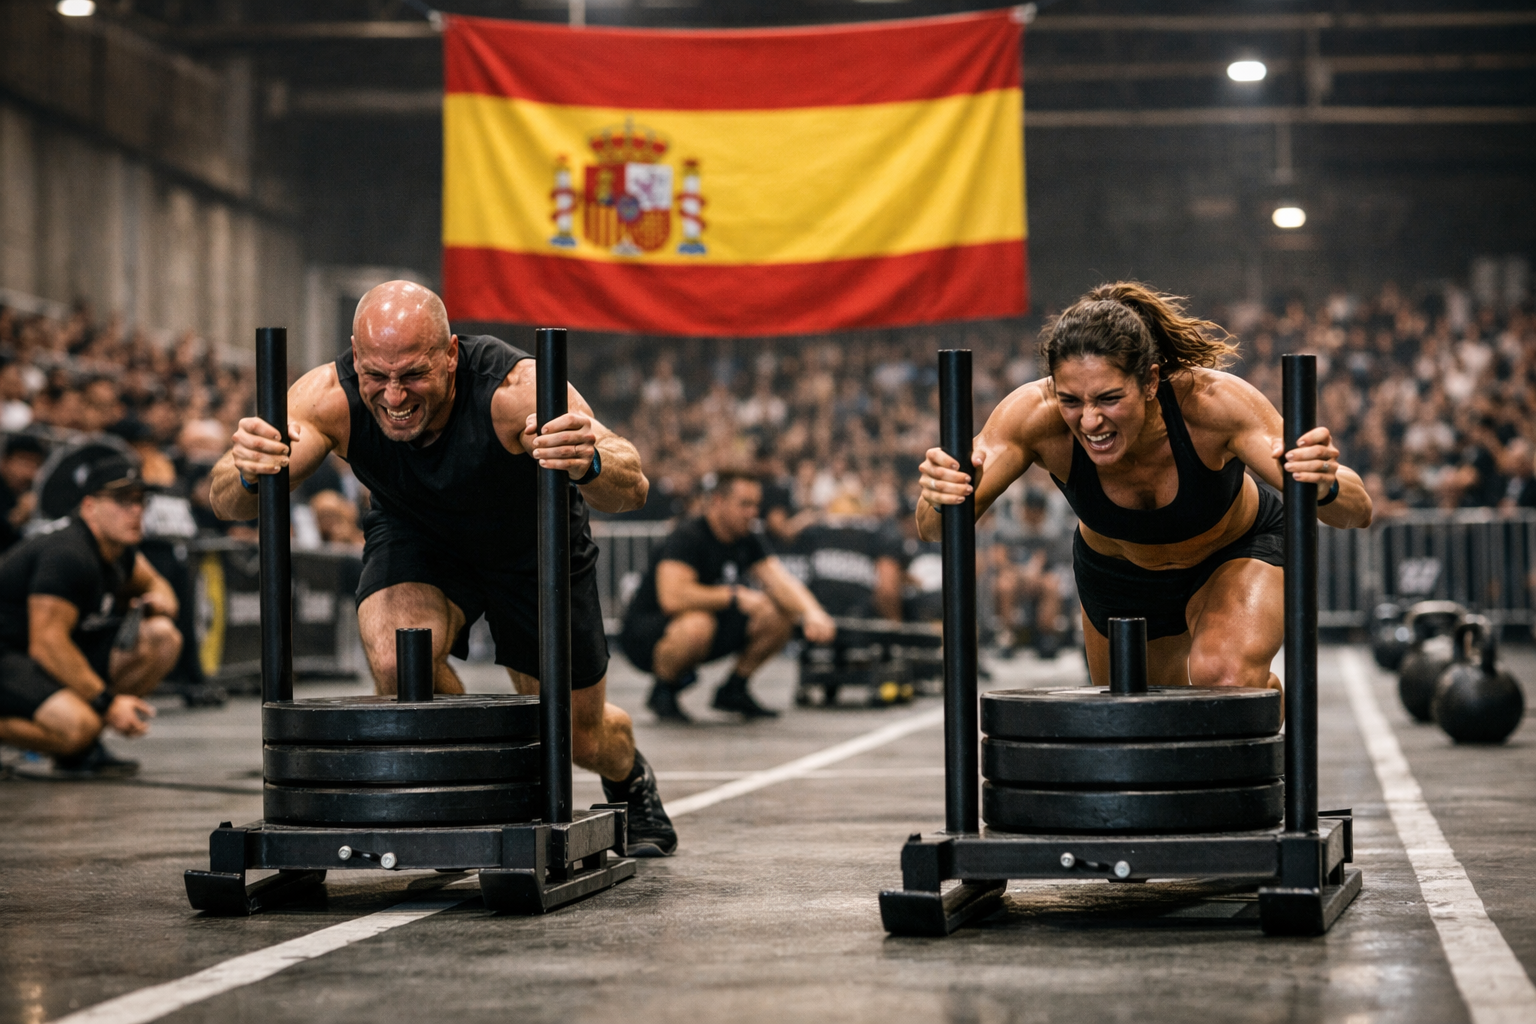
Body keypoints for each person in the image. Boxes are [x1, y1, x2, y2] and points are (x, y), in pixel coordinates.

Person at [215, 281, 679, 857]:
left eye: (412, 375)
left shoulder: (515, 389)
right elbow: (227, 502)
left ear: (451, 355)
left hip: (531, 544)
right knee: (395, 658)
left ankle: (628, 774)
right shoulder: (327, 397)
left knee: (577, 736)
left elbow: (632, 487)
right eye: (375, 377)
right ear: (355, 360)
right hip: (420, 536)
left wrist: (590, 459)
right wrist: (246, 470)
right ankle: (466, 800)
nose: (392, 396)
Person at [918, 282, 1373, 691]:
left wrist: (1326, 484)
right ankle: (1261, 702)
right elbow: (933, 526)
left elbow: (1358, 510)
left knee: (1223, 678)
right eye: (1072, 400)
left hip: (1231, 553)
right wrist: (939, 494)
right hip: (1117, 576)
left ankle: (1248, 696)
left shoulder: (1213, 405)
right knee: (1137, 720)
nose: (1090, 420)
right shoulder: (1033, 417)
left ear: (1151, 381)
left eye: (1109, 399)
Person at [0, 451, 181, 776]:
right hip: (9, 653)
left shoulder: (119, 552)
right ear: (89, 507)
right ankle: (79, 742)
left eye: (140, 501)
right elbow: (47, 645)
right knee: (77, 727)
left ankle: (80, 747)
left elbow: (159, 585)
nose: (136, 510)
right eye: (122, 501)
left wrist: (158, 601)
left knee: (163, 637)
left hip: (36, 656)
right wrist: (107, 705)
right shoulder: (68, 554)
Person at [620, 471, 837, 722]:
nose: (753, 512)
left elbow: (780, 581)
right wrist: (733, 596)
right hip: (647, 635)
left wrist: (813, 613)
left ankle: (734, 688)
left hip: (709, 625)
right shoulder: (688, 535)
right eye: (744, 504)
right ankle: (664, 690)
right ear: (718, 502)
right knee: (699, 624)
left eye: (756, 505)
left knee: (778, 613)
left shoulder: (747, 538)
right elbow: (673, 598)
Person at [988, 487, 1075, 658]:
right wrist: (1021, 573)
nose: (1034, 515)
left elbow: (1043, 559)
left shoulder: (1050, 532)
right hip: (1013, 573)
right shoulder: (1008, 528)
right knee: (1005, 585)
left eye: (1038, 511)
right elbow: (999, 557)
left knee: (1051, 584)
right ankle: (1008, 636)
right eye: (1031, 510)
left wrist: (1034, 572)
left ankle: (1047, 635)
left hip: (1039, 576)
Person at [0, 434, 44, 552]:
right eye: (24, 463)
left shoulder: (33, 492)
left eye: (35, 464)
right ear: (5, 462)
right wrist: (16, 517)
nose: (28, 473)